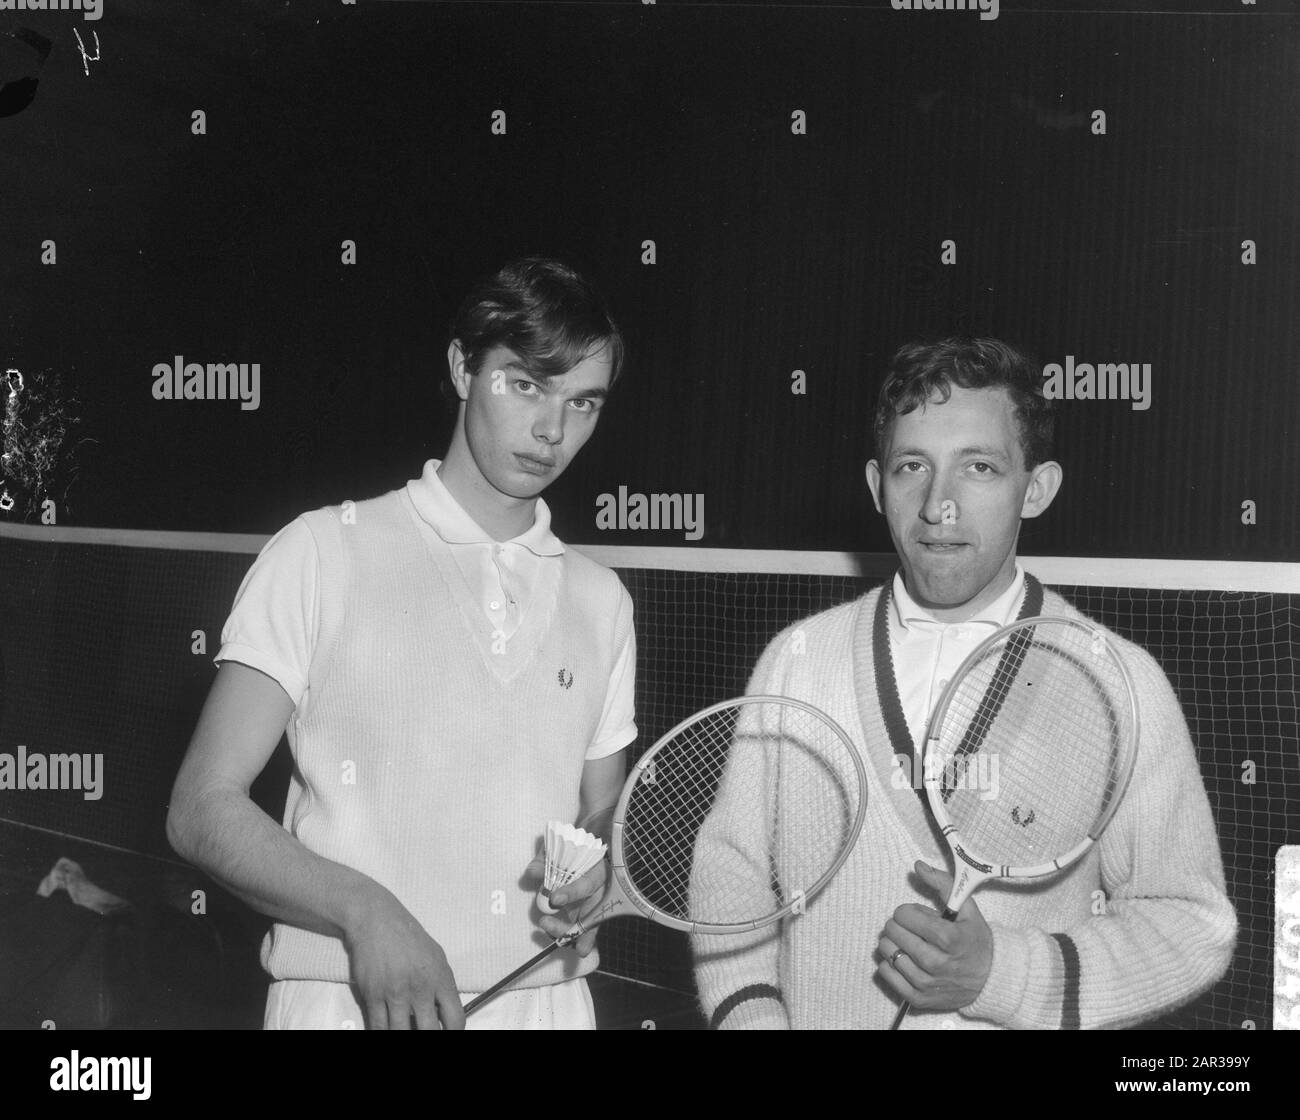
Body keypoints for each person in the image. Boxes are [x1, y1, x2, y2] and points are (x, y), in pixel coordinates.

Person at [694, 337, 1236, 1029]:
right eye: (911, 467)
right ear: (874, 485)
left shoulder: (1118, 682)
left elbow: (1190, 926)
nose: (938, 506)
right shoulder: (797, 662)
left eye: (978, 467)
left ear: (1034, 488)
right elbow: (730, 873)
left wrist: (1001, 976)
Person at [167, 257, 635, 1030]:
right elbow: (200, 807)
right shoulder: (322, 552)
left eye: (582, 402)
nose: (553, 431)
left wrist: (600, 881)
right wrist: (366, 913)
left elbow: (598, 822)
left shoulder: (602, 601)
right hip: (347, 1002)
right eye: (525, 384)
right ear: (461, 366)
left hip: (546, 1006)